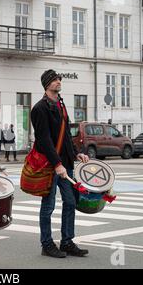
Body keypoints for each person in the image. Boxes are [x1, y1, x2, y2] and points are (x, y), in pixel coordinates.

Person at [31, 69, 90, 258]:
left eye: (59, 79)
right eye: (55, 80)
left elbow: (65, 135)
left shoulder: (60, 104)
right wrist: (57, 164)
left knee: (71, 202)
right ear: (47, 84)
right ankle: (46, 243)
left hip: (66, 163)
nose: (58, 81)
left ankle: (67, 241)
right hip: (50, 165)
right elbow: (44, 140)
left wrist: (75, 154)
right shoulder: (39, 108)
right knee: (48, 206)